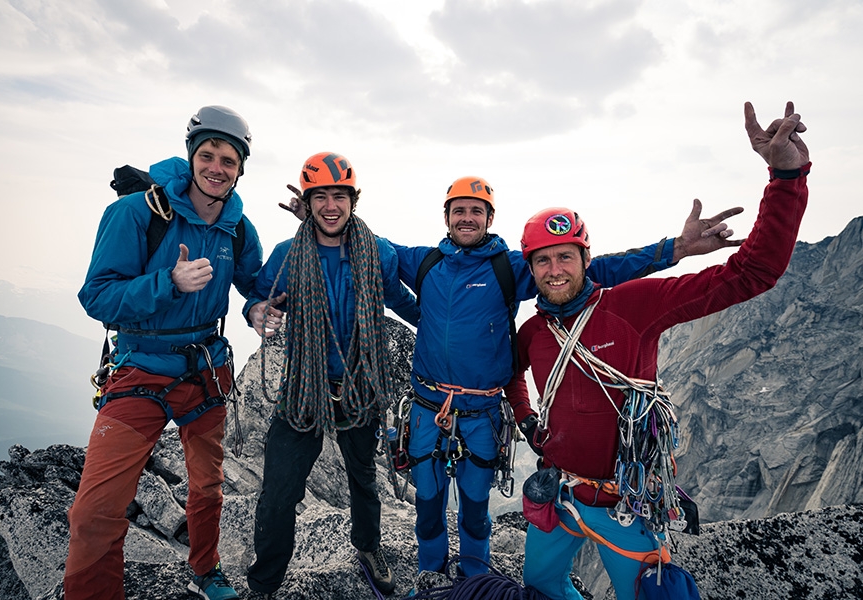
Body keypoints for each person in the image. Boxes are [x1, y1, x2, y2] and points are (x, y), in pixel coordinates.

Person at [504, 101, 809, 599]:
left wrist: (785, 178)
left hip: (624, 500)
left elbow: (754, 273)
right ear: (531, 270)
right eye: (543, 261)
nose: (555, 269)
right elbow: (513, 375)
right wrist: (526, 421)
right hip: (559, 494)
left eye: (566, 257)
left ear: (586, 259)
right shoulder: (534, 332)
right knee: (539, 585)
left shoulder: (633, 306)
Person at [388, 175, 744, 578]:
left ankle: (475, 580)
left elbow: (593, 269)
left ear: (489, 218)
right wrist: (322, 217)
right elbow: (371, 251)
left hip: (481, 410)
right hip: (427, 406)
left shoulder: (511, 268)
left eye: (476, 211)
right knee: (428, 504)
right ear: (446, 217)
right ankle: (429, 575)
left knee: (474, 507)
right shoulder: (424, 261)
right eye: (459, 211)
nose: (467, 218)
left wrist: (673, 250)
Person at [66, 105, 272, 600]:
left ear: (241, 168)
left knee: (206, 487)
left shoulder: (239, 228)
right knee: (95, 510)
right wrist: (168, 283)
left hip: (204, 372)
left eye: (229, 159)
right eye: (208, 155)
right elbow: (96, 296)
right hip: (140, 370)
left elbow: (252, 286)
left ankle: (206, 570)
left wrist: (256, 312)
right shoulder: (136, 213)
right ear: (191, 156)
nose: (217, 168)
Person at [244, 152, 419, 599]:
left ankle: (368, 546)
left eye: (338, 195)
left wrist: (446, 334)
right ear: (308, 201)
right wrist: (256, 311)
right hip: (304, 390)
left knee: (363, 477)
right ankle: (264, 585)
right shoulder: (289, 254)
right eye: (319, 196)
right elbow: (261, 298)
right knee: (279, 493)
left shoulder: (376, 254)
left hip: (358, 389)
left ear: (352, 200)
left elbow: (402, 300)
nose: (329, 205)